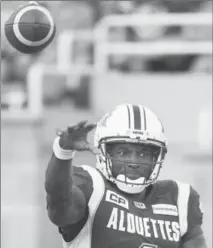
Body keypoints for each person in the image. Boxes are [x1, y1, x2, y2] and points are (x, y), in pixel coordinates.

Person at [45, 103, 207, 248]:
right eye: (123, 152)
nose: (133, 162)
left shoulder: (178, 198)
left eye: (143, 154)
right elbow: (59, 206)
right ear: (104, 152)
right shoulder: (92, 186)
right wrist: (63, 152)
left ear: (156, 157)